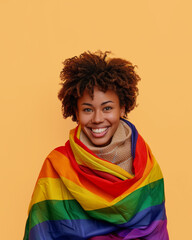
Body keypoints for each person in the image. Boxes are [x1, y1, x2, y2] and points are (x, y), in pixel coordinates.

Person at [23, 51, 169, 240]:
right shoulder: (57, 166)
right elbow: (42, 232)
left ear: (122, 108)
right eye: (87, 109)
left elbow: (156, 232)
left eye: (107, 108)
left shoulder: (147, 167)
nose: (98, 119)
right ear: (75, 111)